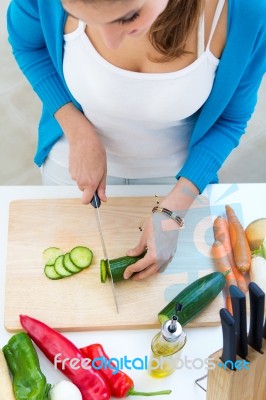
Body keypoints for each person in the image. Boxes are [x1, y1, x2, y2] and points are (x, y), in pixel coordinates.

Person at [7, 0, 266, 280]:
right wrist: (77, 130)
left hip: (178, 182)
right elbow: (28, 45)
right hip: (73, 162)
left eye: (128, 17)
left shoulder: (247, 11)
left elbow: (230, 120)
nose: (110, 41)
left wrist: (174, 209)